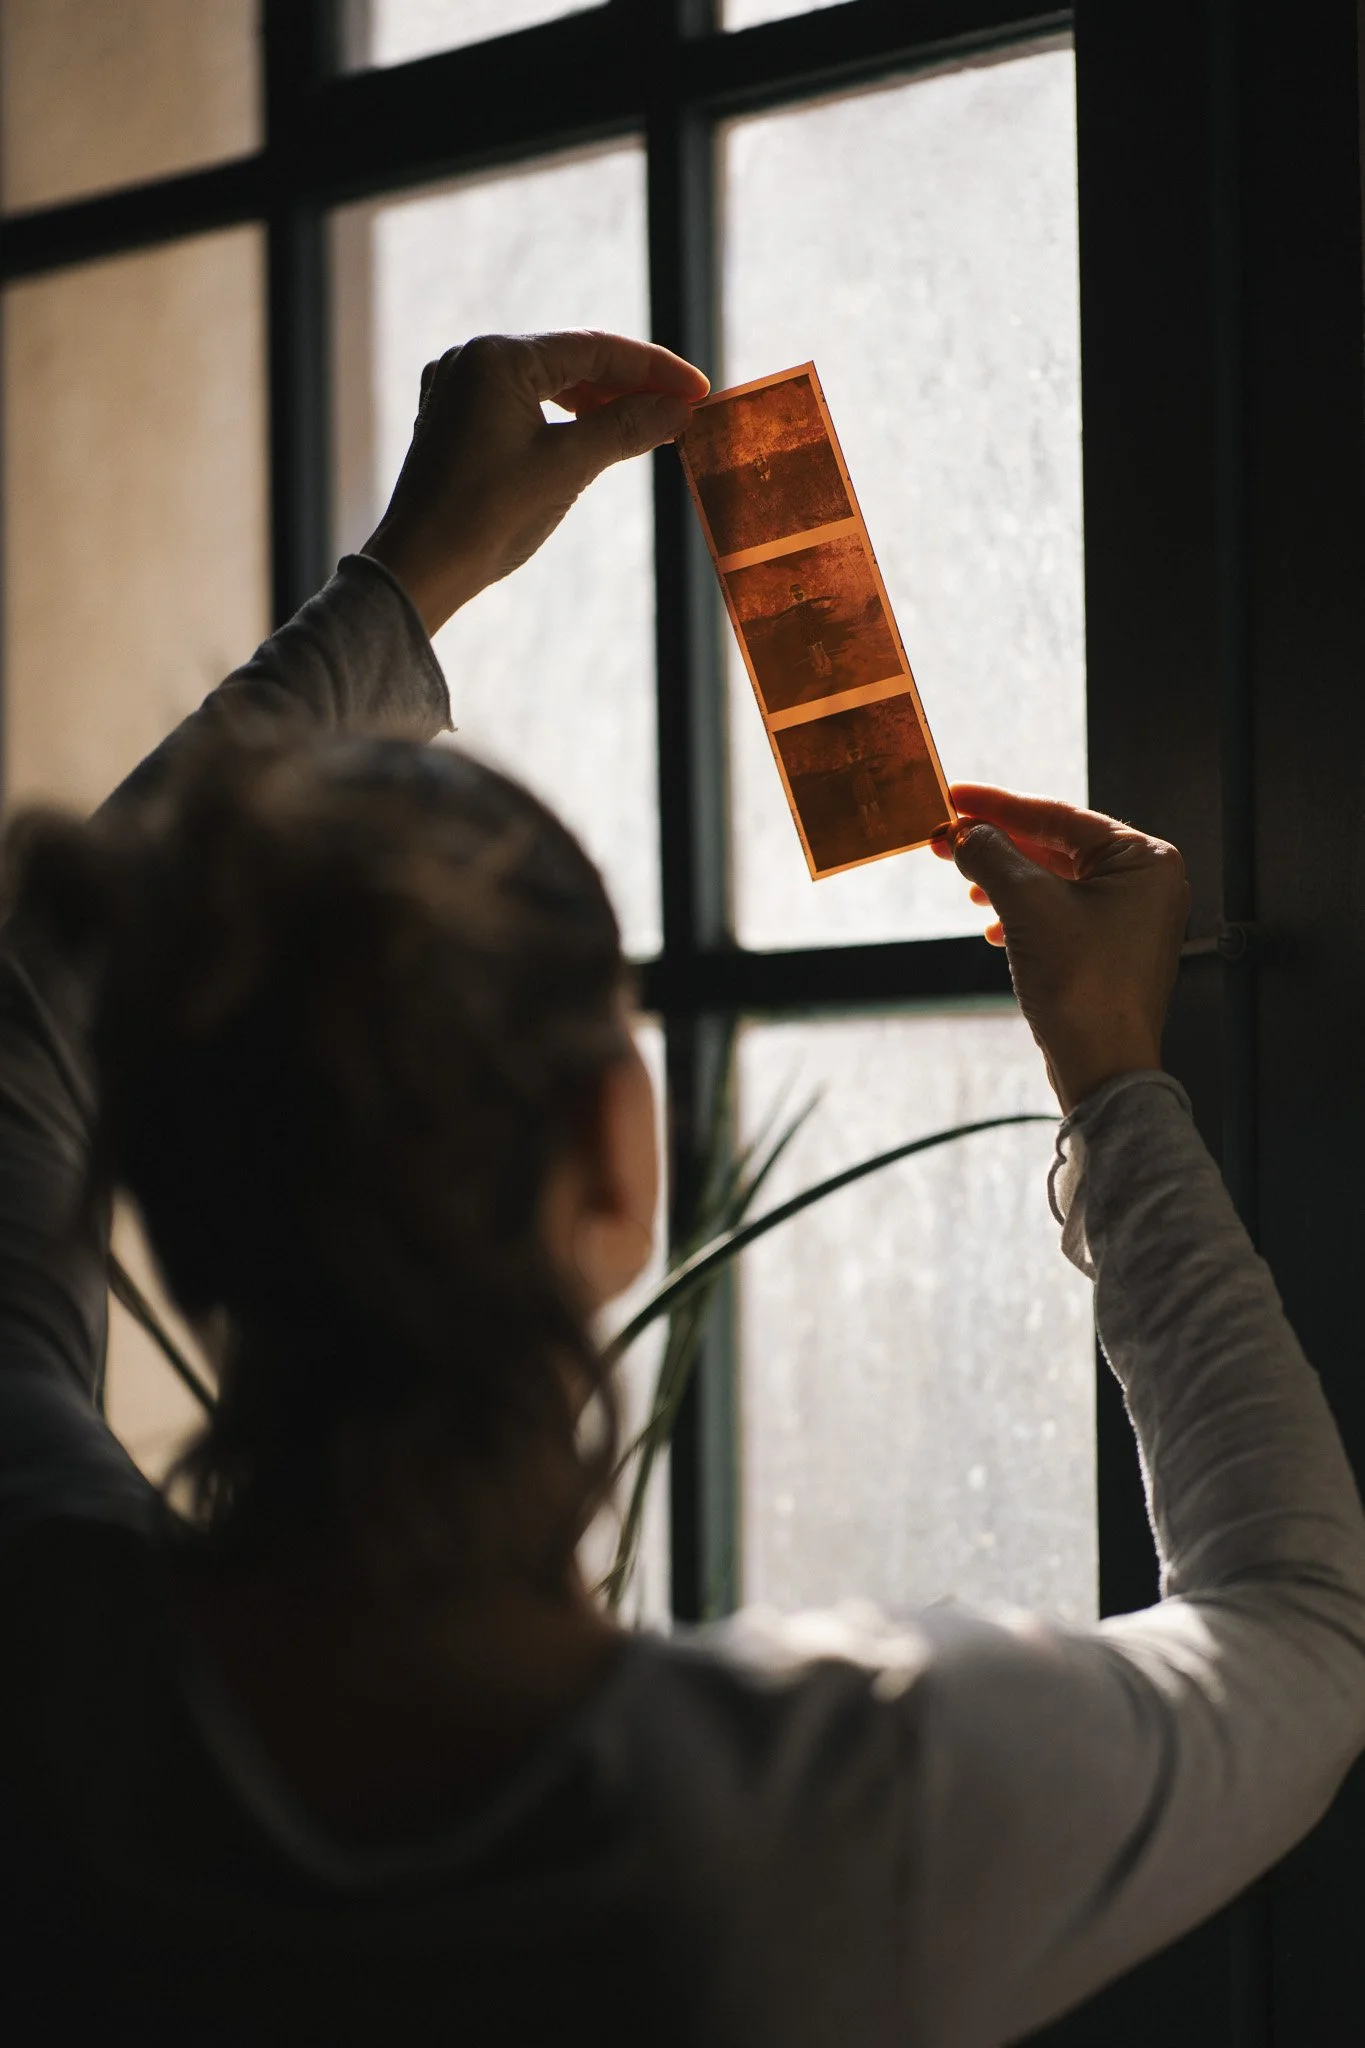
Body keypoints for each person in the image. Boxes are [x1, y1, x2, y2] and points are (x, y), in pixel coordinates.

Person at [0, 328, 1362, 2048]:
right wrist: (1116, 1076)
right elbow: (1302, 1632)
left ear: (166, 1189)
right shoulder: (840, 1806)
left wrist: (405, 577)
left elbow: (34, 1016)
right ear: (614, 1158)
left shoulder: (40, 1635)